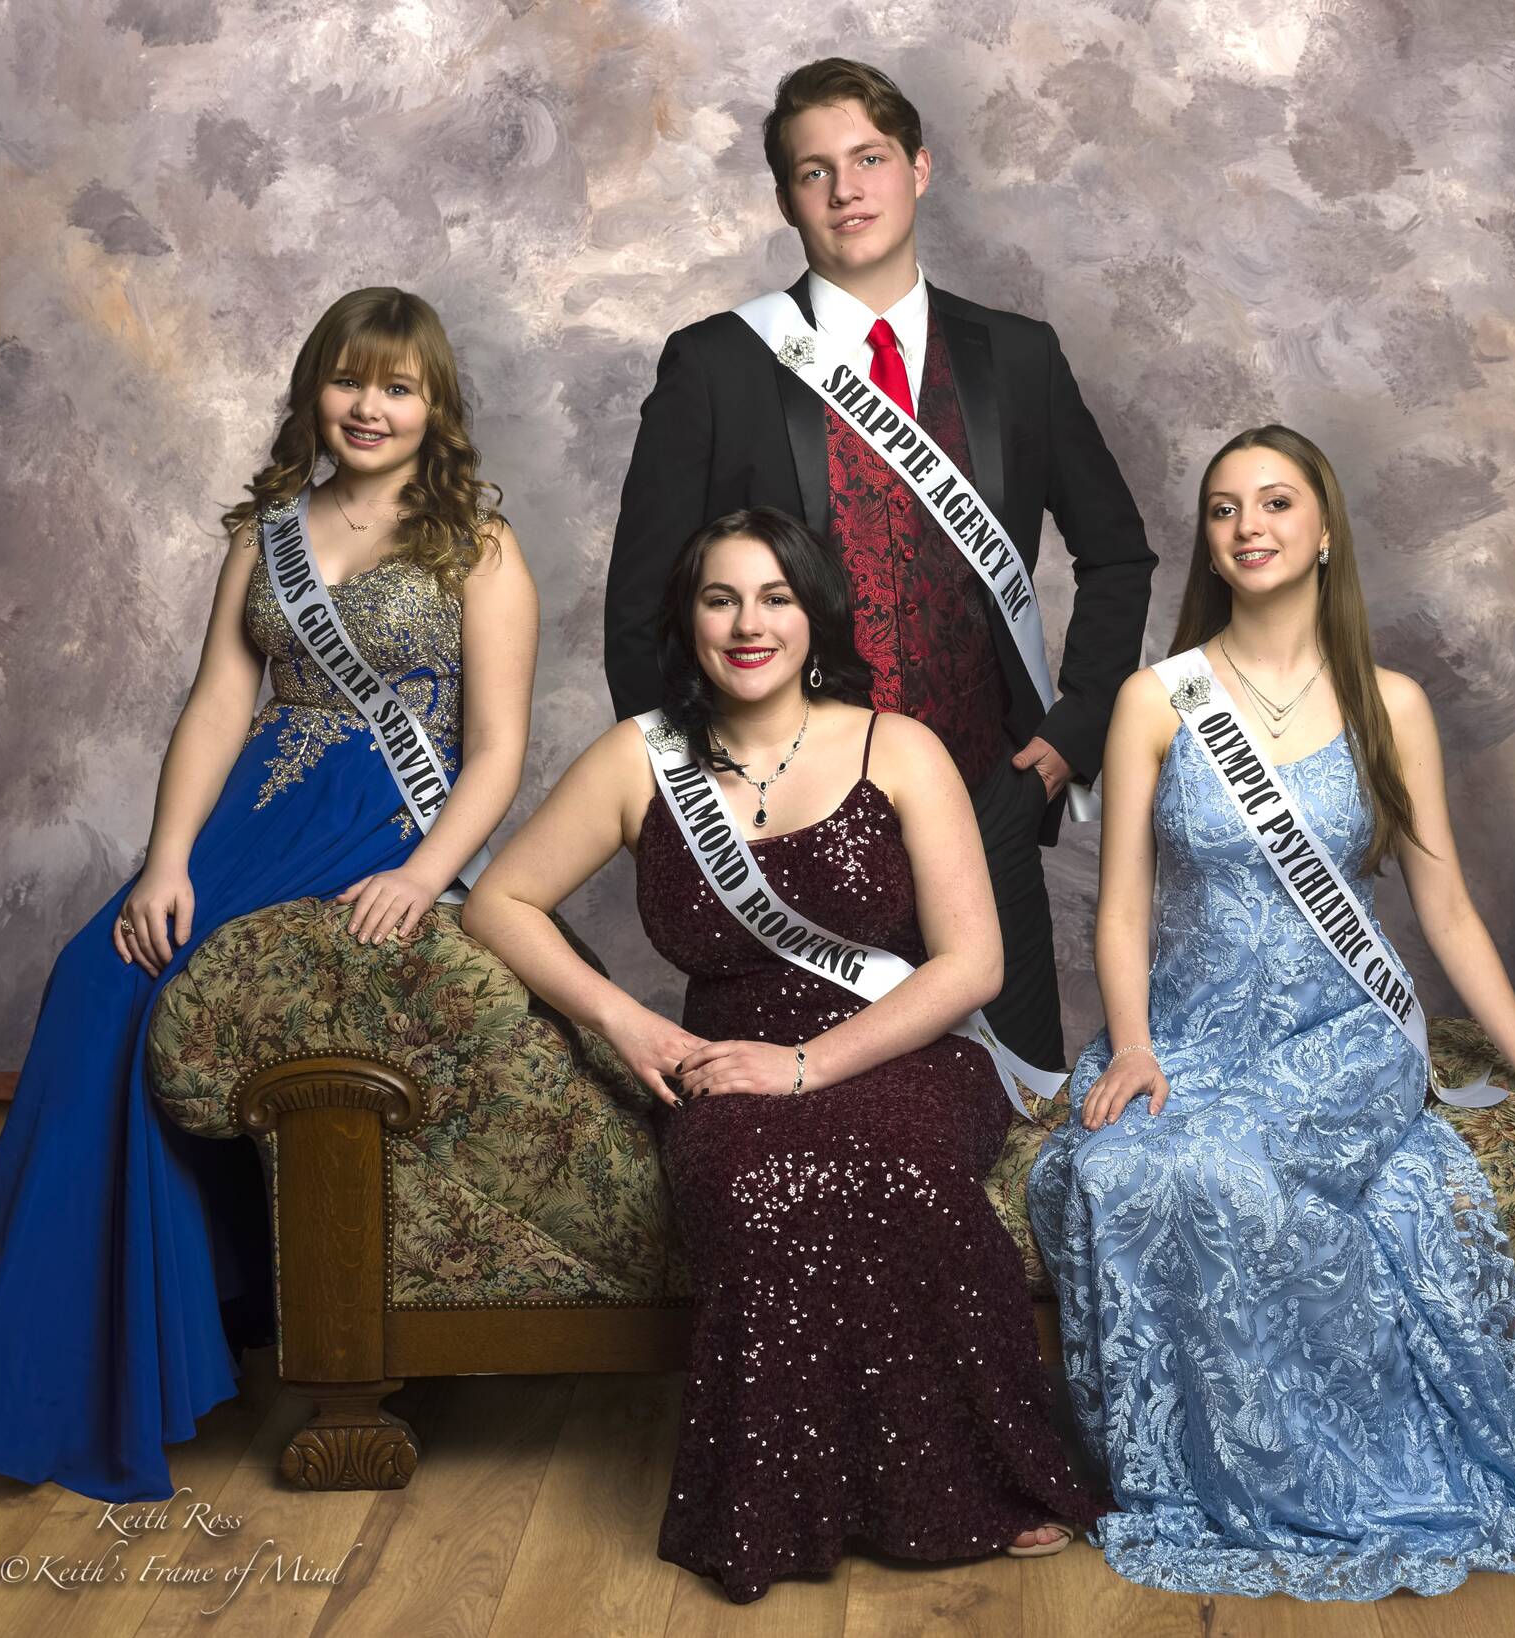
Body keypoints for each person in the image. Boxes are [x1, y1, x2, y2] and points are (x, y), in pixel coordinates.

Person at [0, 288, 540, 1502]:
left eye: (397, 386)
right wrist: (165, 858)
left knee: (155, 1003)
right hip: (255, 814)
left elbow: (495, 748)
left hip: (379, 820)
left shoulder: (476, 544)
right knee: (96, 980)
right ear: (312, 389)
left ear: (435, 408)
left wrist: (423, 876)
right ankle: (40, 1354)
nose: (368, 407)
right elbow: (221, 702)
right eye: (348, 380)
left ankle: (121, 1351)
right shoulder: (270, 526)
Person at [1027, 425, 1515, 1598]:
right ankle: (1198, 1479)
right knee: (1120, 1172)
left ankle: (1319, 1479)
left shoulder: (1391, 705)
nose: (1248, 528)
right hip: (1189, 1028)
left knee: (1221, 1174)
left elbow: (1446, 909)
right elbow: (1117, 910)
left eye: (1275, 504)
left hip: (1344, 1036)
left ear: (1323, 532)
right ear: (1207, 541)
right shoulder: (1153, 701)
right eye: (1223, 509)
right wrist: (1130, 1044)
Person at [468, 507, 1099, 1603]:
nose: (747, 624)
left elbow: (969, 968)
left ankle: (977, 1479)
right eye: (720, 599)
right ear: (689, 619)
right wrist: (628, 1022)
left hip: (901, 1051)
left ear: (813, 616)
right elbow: (499, 903)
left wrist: (805, 1068)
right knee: (758, 1186)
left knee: (897, 1172)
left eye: (774, 598)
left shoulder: (894, 745)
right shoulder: (637, 758)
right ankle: (786, 1502)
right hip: (723, 1062)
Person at [603, 57, 1155, 1075]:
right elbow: (642, 607)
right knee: (783, 1126)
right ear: (784, 199)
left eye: (867, 159)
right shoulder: (717, 364)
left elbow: (1118, 554)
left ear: (918, 169)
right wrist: (701, 801)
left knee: (1015, 1106)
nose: (845, 190)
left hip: (985, 798)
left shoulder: (1018, 357)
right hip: (792, 829)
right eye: (814, 172)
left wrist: (1065, 737)